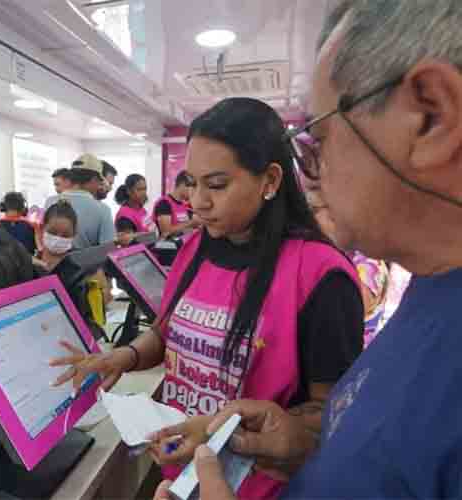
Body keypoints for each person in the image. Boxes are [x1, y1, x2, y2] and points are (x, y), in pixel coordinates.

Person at [167, 2, 462, 498]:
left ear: (430, 116)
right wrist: (305, 444)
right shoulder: (431, 289)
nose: (315, 171)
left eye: (319, 138)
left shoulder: (320, 272)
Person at [52, 98, 364, 499]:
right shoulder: (195, 248)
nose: (198, 202)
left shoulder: (321, 276)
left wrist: (222, 431)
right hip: (181, 474)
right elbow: (168, 335)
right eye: (192, 183)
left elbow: (331, 416)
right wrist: (124, 357)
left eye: (216, 185)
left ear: (269, 181)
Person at [306, 185, 390, 346]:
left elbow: (347, 308)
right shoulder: (328, 253)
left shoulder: (370, 264)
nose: (311, 218)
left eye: (315, 210)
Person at [38, 200, 112, 306]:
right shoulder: (31, 263)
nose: (58, 238)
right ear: (42, 228)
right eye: (53, 232)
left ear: (74, 234)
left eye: (65, 235)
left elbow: (104, 298)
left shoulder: (85, 264)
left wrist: (102, 292)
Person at [45, 154, 115, 248]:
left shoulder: (50, 202)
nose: (99, 185)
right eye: (99, 181)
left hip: (52, 261)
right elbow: (108, 249)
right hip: (87, 262)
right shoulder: (103, 210)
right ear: (94, 179)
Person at [0, 191, 39, 256]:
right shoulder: (33, 226)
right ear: (23, 208)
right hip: (26, 264)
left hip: (0, 264)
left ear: (3, 207)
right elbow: (40, 250)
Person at [153, 170, 198, 239]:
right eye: (192, 188)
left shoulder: (185, 205)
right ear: (182, 185)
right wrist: (193, 222)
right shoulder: (164, 203)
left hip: (184, 242)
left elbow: (188, 227)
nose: (193, 193)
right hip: (168, 246)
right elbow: (166, 232)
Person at [114, 173, 155, 245]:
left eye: (145, 189)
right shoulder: (125, 217)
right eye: (139, 189)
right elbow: (129, 244)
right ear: (129, 191)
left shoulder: (140, 208)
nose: (144, 193)